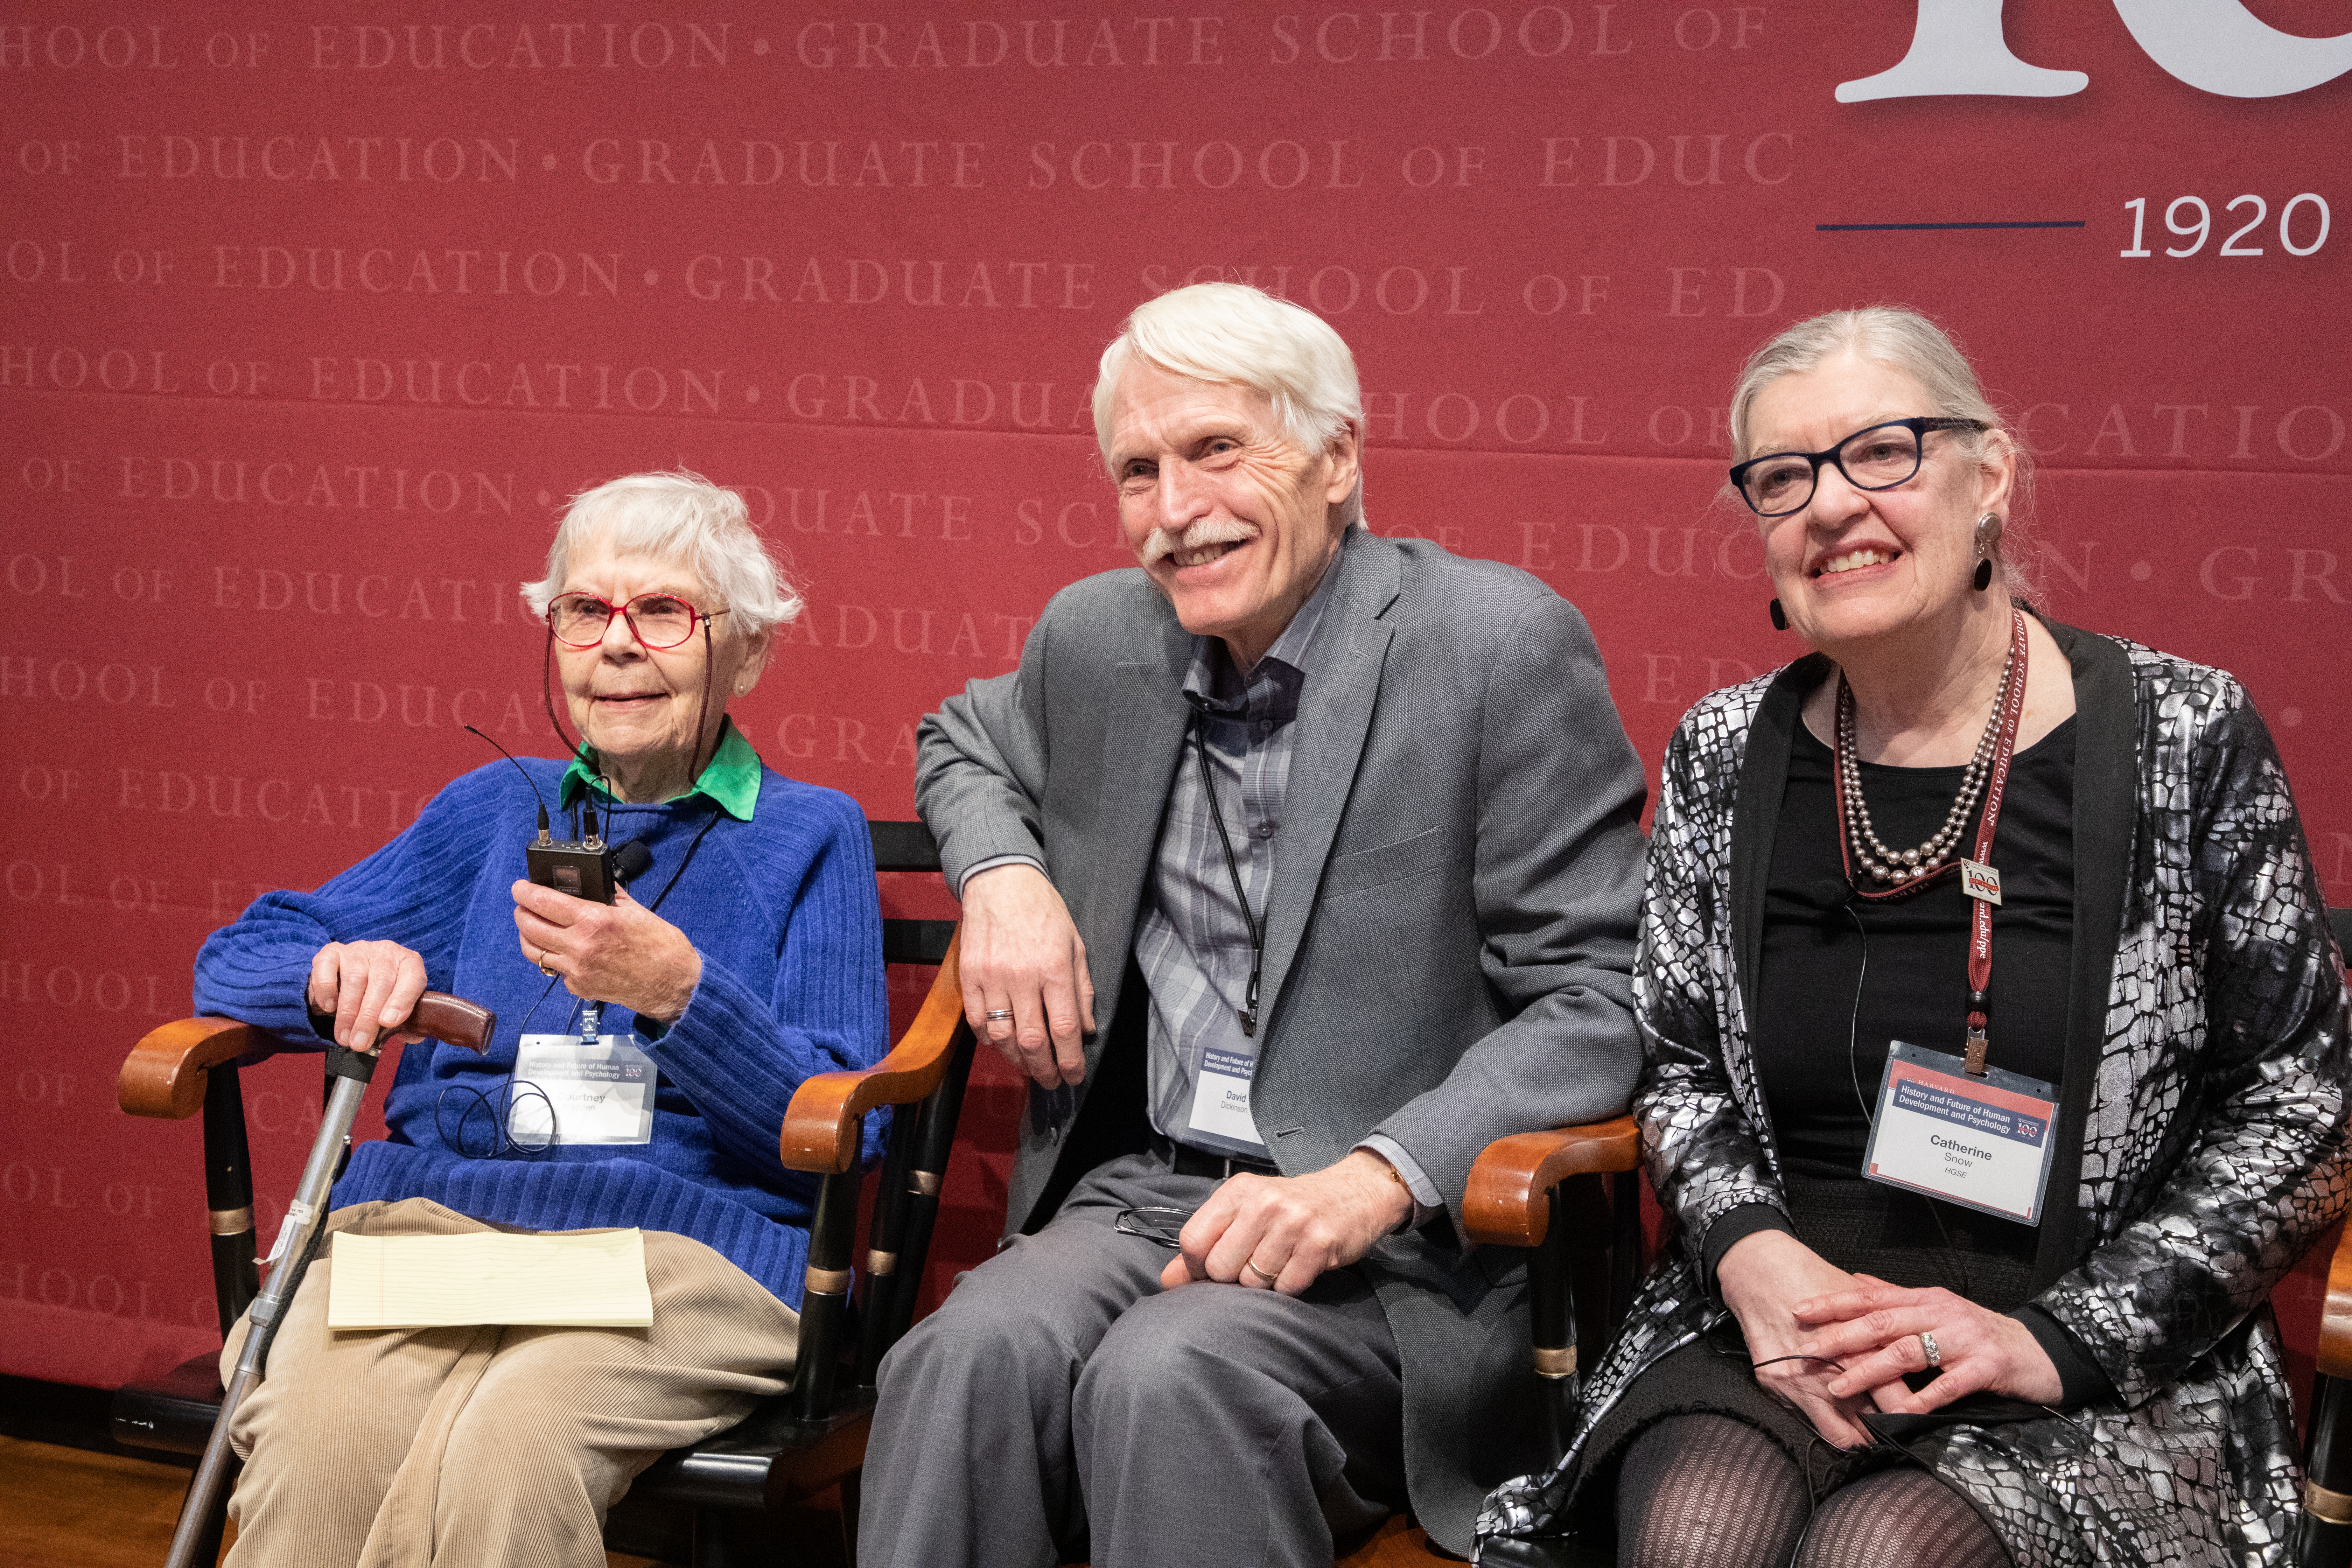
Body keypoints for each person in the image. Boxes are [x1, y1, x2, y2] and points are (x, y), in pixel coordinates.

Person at [1476, 307, 2351, 1568]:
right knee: (1693, 1544)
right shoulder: (1726, 755)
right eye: (1784, 478)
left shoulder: (2185, 735)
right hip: (1779, 1320)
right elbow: (1676, 1065)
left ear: (1989, 476)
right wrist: (1749, 1252)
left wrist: (2058, 1339)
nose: (1833, 507)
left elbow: (2303, 1110)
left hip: (2088, 1355)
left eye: (1882, 452)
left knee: (1879, 1557)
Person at [857, 280, 1650, 1567]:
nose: (1175, 512)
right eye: (1139, 470)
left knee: (1171, 1380)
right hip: (1150, 1192)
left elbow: (1602, 992)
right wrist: (1003, 878)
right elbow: (961, 746)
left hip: (1396, 1254)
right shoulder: (1100, 635)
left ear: (1337, 459)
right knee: (963, 1358)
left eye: (1219, 450)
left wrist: (1377, 1176)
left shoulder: (1494, 644)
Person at [191, 470, 887, 1567]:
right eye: (583, 610)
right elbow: (234, 962)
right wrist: (333, 968)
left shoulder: (809, 836)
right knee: (315, 1451)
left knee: (508, 1452)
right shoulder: (492, 810)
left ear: (745, 651)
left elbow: (841, 1128)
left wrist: (679, 994)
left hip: (680, 1255)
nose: (617, 644)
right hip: (433, 1236)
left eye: (663, 612)